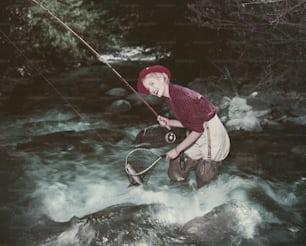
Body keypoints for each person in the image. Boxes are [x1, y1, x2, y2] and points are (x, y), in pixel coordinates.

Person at [137, 65, 230, 188]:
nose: (151, 89)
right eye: (148, 88)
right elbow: (189, 122)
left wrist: (176, 150)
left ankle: (205, 202)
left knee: (205, 173)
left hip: (210, 133)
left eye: (152, 83)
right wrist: (169, 122)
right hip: (197, 129)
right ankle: (179, 197)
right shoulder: (169, 97)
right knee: (177, 166)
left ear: (163, 78)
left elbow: (198, 129)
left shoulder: (183, 97)